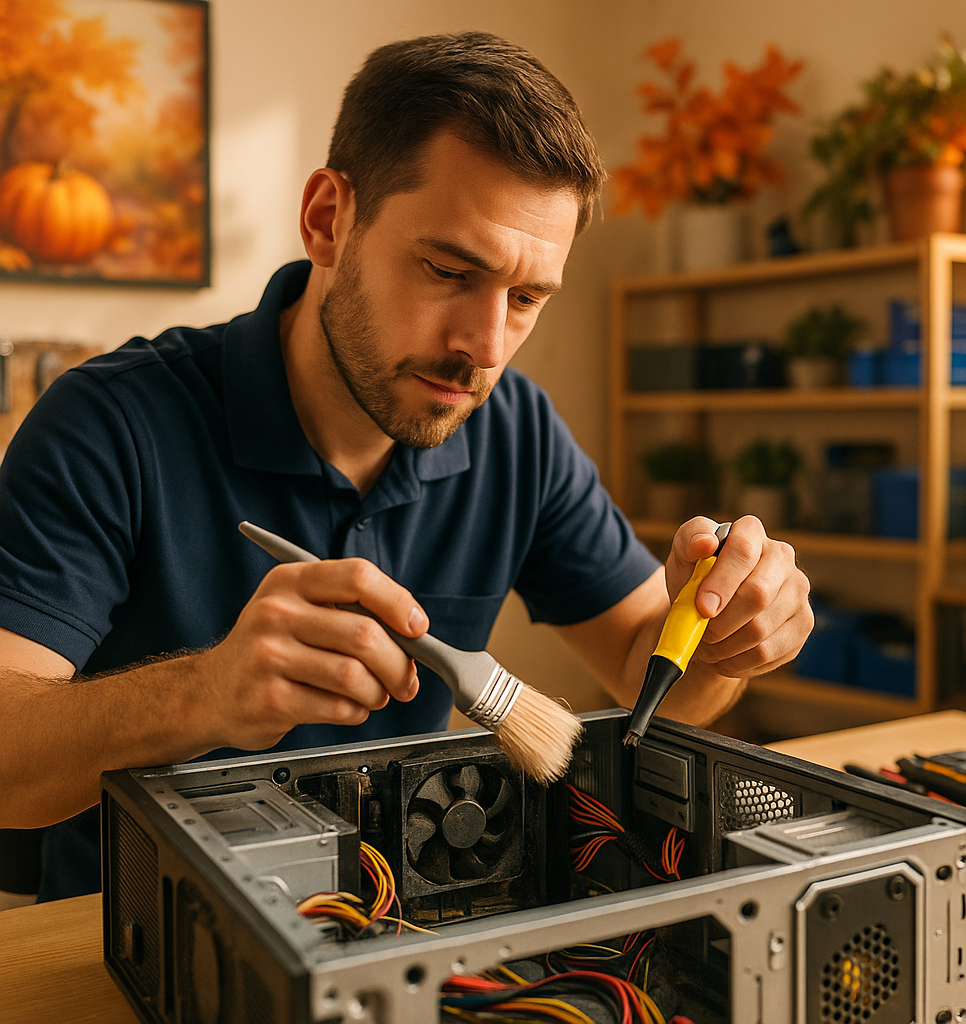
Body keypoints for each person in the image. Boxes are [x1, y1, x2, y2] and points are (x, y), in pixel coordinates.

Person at [0, 31, 812, 901]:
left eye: (528, 298)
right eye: (448, 270)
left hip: (402, 923)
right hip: (138, 936)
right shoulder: (110, 421)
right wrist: (204, 693)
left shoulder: (516, 433)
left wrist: (727, 643)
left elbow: (653, 681)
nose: (485, 347)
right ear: (327, 221)